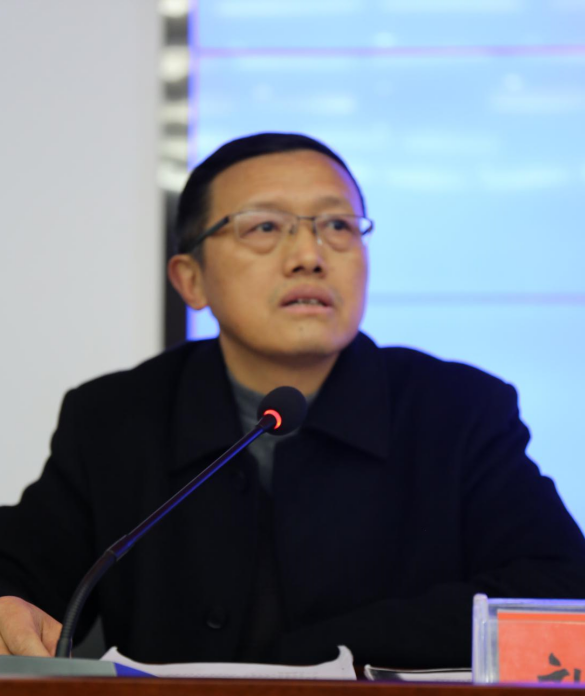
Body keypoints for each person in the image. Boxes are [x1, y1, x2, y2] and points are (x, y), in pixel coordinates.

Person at [1, 132, 584, 666]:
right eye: (263, 227)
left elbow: (558, 590)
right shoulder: (115, 417)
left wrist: (329, 652)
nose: (310, 254)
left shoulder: (457, 410)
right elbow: (22, 573)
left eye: (338, 226)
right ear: (191, 280)